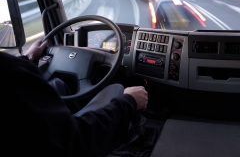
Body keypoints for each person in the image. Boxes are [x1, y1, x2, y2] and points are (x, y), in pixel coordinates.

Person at [1, 39, 148, 157]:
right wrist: (129, 102)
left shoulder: (11, 68)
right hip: (72, 144)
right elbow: (75, 142)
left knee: (58, 84)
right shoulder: (10, 69)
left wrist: (27, 58)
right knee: (117, 88)